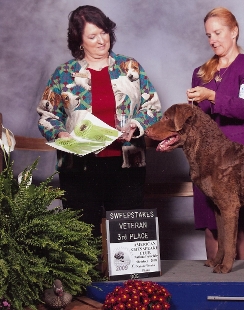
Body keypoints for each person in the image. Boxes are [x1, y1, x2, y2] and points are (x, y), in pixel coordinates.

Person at [37, 5, 162, 236]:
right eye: (92, 36)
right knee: (82, 234)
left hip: (126, 163)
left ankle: (128, 275)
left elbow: (152, 107)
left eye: (103, 32)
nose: (101, 40)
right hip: (79, 167)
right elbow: (47, 115)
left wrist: (136, 125)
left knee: (127, 232)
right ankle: (87, 274)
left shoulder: (130, 67)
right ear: (79, 40)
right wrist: (61, 135)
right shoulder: (63, 73)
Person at [186, 7, 244, 260]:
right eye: (208, 35)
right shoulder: (200, 73)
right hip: (206, 161)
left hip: (241, 158)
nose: (213, 40)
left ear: (234, 31)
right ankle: (214, 288)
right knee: (211, 227)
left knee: (241, 227)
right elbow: (195, 122)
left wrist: (210, 96)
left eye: (218, 33)